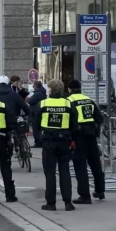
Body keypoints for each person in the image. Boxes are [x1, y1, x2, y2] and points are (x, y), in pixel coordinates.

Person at [37, 79, 74, 212]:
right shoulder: (68, 103)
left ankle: (51, 203)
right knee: (65, 171)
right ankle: (68, 202)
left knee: (50, 172)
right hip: (64, 141)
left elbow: (36, 122)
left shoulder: (44, 103)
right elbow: (73, 123)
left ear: (51, 90)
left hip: (49, 141)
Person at [67, 79, 106, 203]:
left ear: (69, 89)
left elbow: (70, 121)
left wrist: (71, 137)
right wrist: (95, 129)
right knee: (95, 164)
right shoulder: (89, 100)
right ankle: (100, 191)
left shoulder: (69, 101)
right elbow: (99, 118)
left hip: (79, 137)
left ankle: (84, 195)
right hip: (91, 135)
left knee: (80, 165)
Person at [28, 80, 48, 148]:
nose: (33, 87)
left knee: (36, 128)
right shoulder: (43, 92)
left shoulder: (37, 93)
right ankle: (41, 141)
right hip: (41, 111)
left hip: (36, 112)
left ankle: (38, 142)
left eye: (33, 86)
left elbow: (30, 101)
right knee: (40, 128)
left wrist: (28, 99)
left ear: (36, 86)